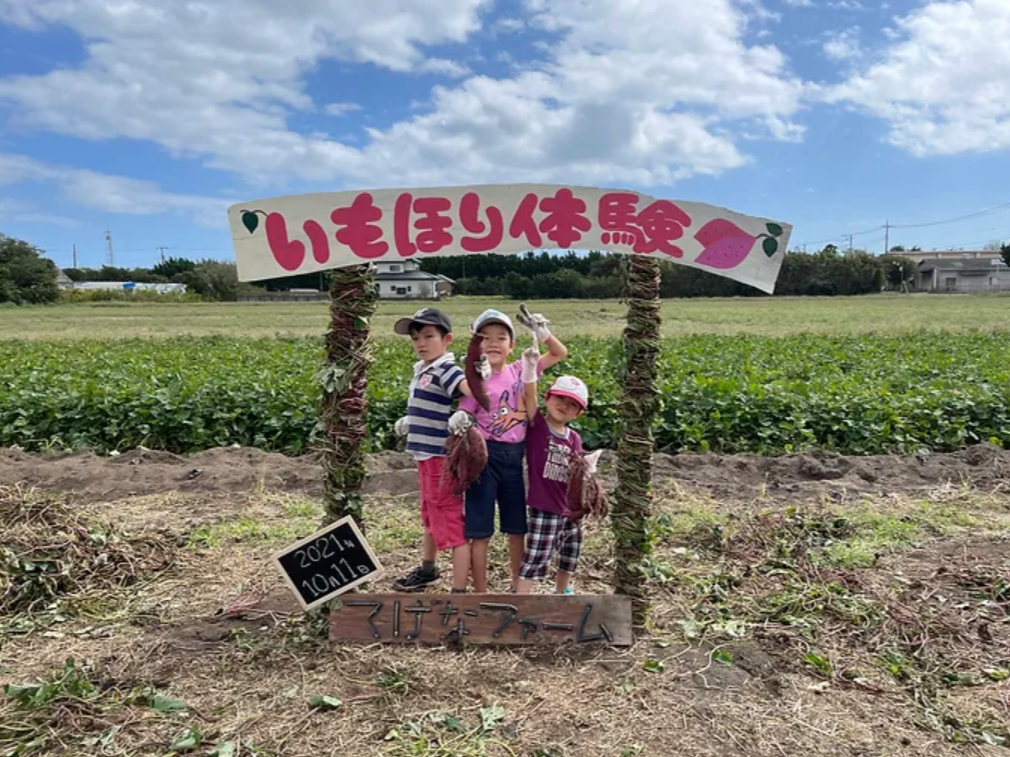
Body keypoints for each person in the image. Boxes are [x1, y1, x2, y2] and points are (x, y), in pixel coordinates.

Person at [450, 308, 568, 593]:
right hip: (483, 459)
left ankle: (518, 587)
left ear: (511, 346)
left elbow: (558, 353)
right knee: (480, 530)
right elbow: (464, 414)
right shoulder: (474, 380)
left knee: (516, 527)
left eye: (501, 337)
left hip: (515, 457)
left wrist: (541, 332)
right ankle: (480, 591)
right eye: (485, 337)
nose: (493, 343)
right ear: (475, 344)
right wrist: (458, 421)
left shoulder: (521, 369)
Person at [390, 307, 483, 594]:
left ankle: (458, 593)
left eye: (429, 336)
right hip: (424, 455)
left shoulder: (446, 369)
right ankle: (428, 569)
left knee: (450, 519)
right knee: (430, 512)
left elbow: (473, 391)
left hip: (440, 458)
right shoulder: (423, 369)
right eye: (416, 337)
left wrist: (478, 379)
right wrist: (411, 421)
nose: (421, 343)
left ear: (447, 339)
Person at [515, 370, 601, 595]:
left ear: (578, 413)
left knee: (570, 553)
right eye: (560, 398)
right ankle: (521, 600)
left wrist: (587, 468)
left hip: (569, 508)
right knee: (536, 556)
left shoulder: (574, 438)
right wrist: (531, 367)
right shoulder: (538, 427)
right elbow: (529, 395)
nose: (564, 405)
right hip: (545, 506)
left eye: (572, 404)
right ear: (547, 398)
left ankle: (562, 593)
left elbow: (577, 472)